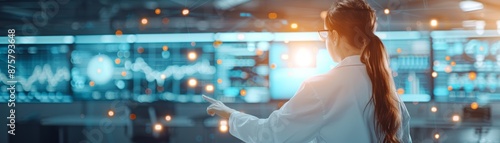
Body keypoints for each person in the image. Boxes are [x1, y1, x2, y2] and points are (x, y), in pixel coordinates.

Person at [204, 0, 412, 142]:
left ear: (334, 36)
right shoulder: (388, 90)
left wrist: (230, 115)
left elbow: (270, 137)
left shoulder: (321, 87)